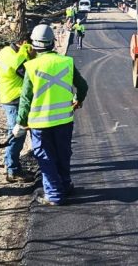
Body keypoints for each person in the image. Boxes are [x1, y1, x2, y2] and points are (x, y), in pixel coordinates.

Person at [15, 24, 88, 206]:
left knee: (46, 157)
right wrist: (78, 100)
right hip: (64, 120)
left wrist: (20, 122)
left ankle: (54, 194)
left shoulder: (31, 67)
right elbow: (83, 86)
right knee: (63, 153)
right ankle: (65, 184)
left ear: (34, 43)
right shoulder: (66, 62)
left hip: (40, 124)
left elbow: (25, 99)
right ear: (52, 42)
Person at [0, 36, 36, 182]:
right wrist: (31, 56)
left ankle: (11, 166)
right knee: (17, 133)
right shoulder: (11, 56)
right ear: (25, 43)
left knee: (15, 132)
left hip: (12, 98)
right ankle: (12, 170)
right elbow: (28, 73)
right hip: (15, 100)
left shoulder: (6, 51)